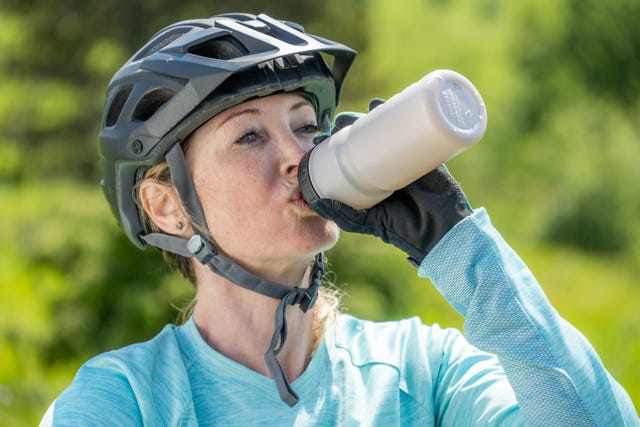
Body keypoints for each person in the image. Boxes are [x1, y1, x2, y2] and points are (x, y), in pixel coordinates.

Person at [41, 12, 639, 426]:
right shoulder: (126, 401)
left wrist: (460, 246)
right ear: (167, 206)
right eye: (249, 136)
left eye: (305, 125)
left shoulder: (420, 372)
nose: (298, 155)